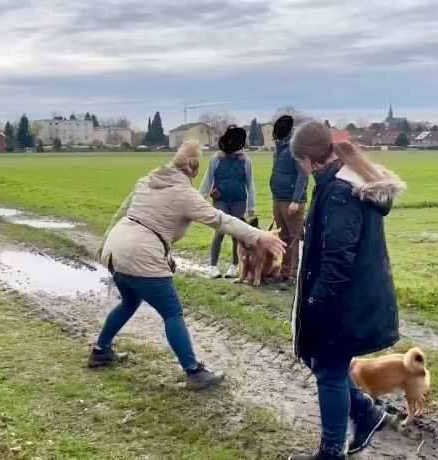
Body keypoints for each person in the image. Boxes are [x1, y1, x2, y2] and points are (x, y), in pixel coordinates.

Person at [93, 139, 285, 389]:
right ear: (193, 170)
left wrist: (105, 245)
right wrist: (260, 236)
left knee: (130, 301)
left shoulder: (147, 180)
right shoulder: (185, 193)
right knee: (172, 311)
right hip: (141, 254)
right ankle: (194, 371)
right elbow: (220, 220)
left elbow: (137, 217)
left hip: (116, 248)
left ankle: (100, 351)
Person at [288, 121, 406, 460]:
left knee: (327, 369)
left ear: (309, 161)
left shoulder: (340, 193)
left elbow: (338, 258)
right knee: (325, 363)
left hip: (345, 302)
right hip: (354, 297)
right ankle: (367, 415)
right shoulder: (339, 182)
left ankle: (331, 451)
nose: (300, 168)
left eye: (300, 163)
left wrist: (315, 299)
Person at [198, 126, 257, 279]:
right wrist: (199, 199)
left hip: (238, 201)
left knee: (237, 234)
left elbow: (250, 183)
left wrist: (251, 205)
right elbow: (207, 179)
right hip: (221, 200)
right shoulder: (216, 158)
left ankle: (234, 266)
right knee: (220, 232)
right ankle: (213, 267)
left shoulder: (246, 161)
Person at [269, 115, 308, 286]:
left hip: (291, 200)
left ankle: (295, 274)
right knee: (283, 236)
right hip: (278, 198)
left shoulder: (296, 147)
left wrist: (296, 200)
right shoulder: (279, 146)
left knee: (295, 237)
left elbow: (303, 174)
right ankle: (284, 272)